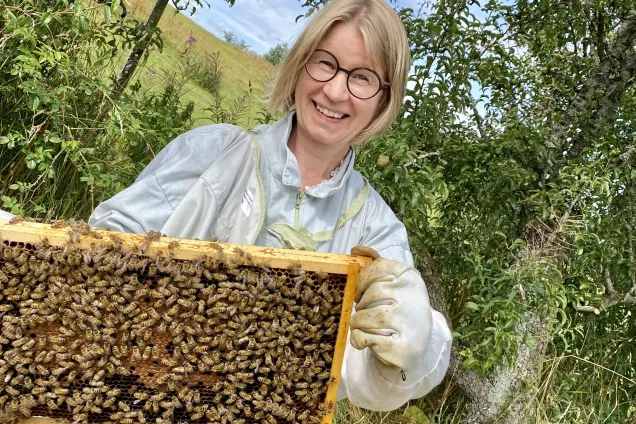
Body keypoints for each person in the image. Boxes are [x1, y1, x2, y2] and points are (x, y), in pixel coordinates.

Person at [2, 0, 452, 411]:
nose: (336, 91)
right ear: (300, 65)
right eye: (326, 63)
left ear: (384, 99)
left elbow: (377, 385)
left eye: (362, 77)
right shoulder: (210, 153)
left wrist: (420, 346)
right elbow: (94, 255)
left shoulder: (378, 232)